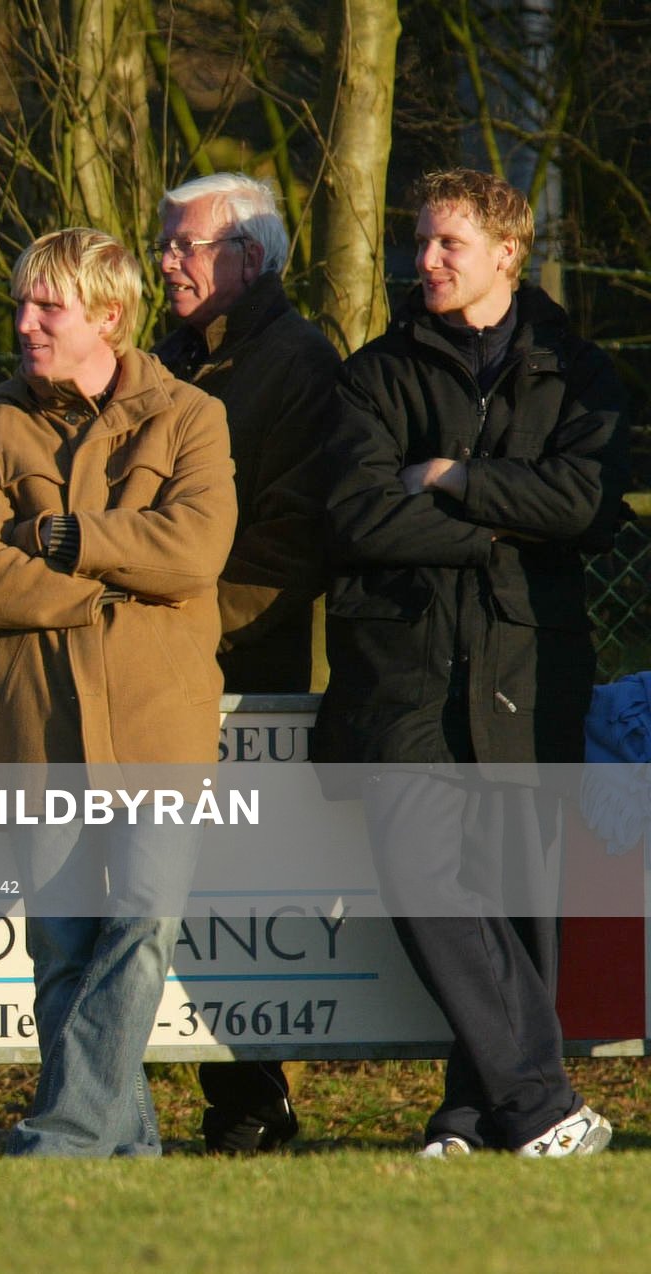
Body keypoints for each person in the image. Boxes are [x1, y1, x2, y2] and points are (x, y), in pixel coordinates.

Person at [316, 169, 630, 1157]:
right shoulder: (374, 373)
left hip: (529, 666)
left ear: (507, 250)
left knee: (519, 907)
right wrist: (498, 531)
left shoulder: (580, 373)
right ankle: (540, 1102)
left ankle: (470, 1113)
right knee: (423, 880)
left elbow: (584, 504)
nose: (426, 261)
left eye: (449, 243)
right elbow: (356, 514)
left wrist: (453, 478)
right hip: (402, 666)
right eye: (420, 242)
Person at [0, 227, 234, 1157]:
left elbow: (194, 553)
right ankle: (127, 1148)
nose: (24, 323)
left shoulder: (191, 416)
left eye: (47, 308)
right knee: (63, 951)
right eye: (23, 305)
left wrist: (66, 541)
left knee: (142, 929)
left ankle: (64, 1131)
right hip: (35, 719)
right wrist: (116, 572)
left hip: (159, 717)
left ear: (107, 316)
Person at [150, 172, 342, 1153]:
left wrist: (177, 626)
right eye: (166, 244)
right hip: (158, 676)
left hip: (248, 680)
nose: (168, 259)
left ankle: (252, 1098)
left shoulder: (302, 364)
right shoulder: (162, 361)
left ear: (250, 258)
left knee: (235, 899)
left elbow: (289, 544)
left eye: (188, 244)